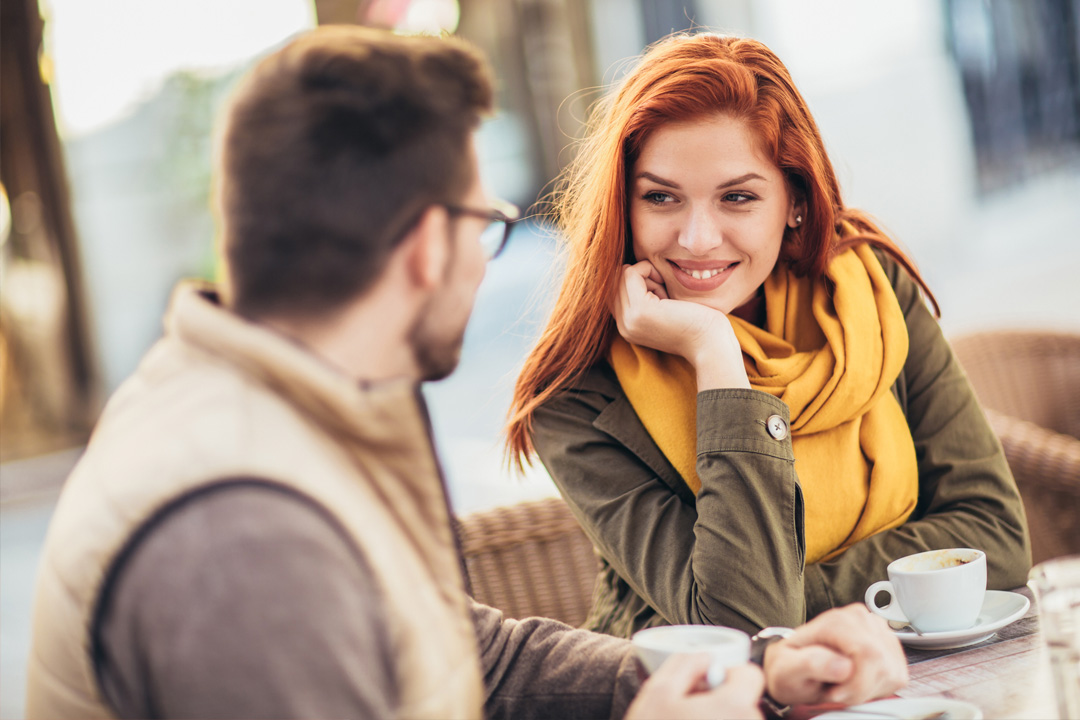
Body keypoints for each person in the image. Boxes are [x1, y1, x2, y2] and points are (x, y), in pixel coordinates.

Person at [25, 26, 907, 720]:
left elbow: (473, 656)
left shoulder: (276, 403)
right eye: (484, 227)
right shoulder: (246, 534)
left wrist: (760, 665)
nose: (488, 263)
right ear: (423, 248)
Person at [507, 31, 1032, 638]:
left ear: (796, 201)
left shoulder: (867, 289)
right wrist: (713, 352)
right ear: (621, 206)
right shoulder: (579, 396)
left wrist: (791, 590)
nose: (697, 238)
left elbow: (995, 534)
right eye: (660, 197)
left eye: (737, 197)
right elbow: (743, 624)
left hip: (929, 673)